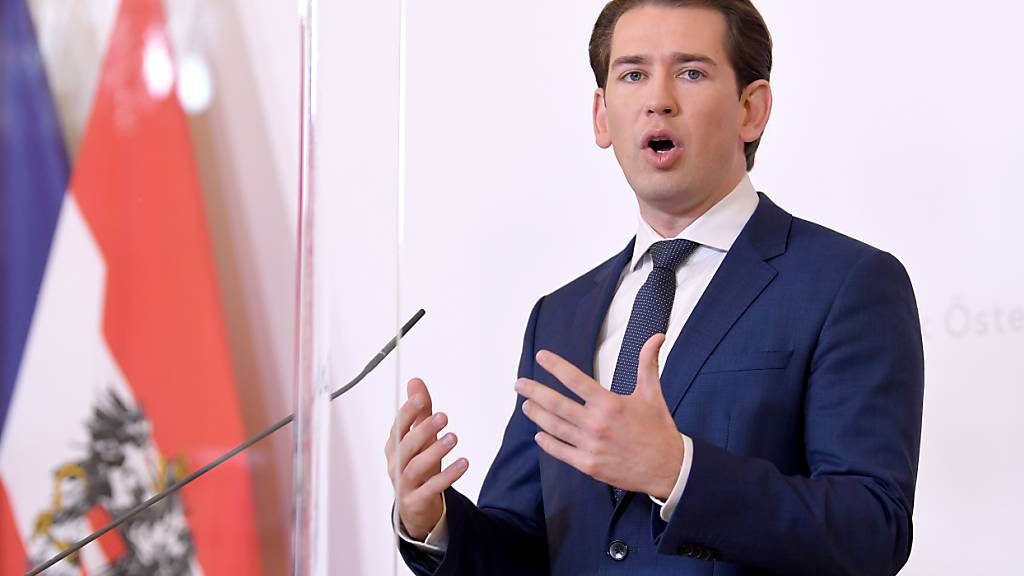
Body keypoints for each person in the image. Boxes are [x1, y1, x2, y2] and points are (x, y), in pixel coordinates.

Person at [384, 1, 925, 574]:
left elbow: (872, 530)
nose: (658, 99)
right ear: (601, 115)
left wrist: (678, 471)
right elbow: (526, 543)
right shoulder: (559, 317)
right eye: (633, 74)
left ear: (752, 109)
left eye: (691, 72)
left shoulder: (848, 283)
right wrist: (431, 523)